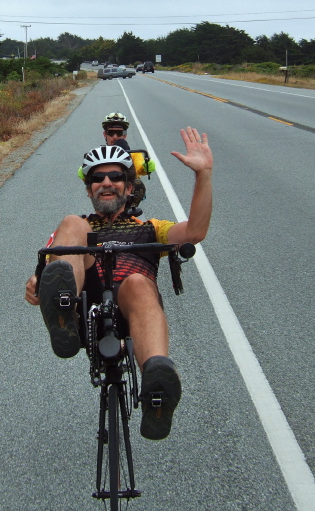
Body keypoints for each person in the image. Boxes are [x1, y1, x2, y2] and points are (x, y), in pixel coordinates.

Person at [25, 127, 213, 440]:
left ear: (128, 187)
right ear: (89, 190)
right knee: (72, 223)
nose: (106, 183)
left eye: (115, 177)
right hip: (87, 313)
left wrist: (203, 174)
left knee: (138, 281)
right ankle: (62, 316)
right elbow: (49, 266)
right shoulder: (79, 229)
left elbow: (194, 232)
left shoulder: (152, 228)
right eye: (97, 179)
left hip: (136, 313)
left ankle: (157, 384)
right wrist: (37, 280)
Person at [96, 112, 155, 212]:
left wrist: (146, 167)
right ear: (105, 135)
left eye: (119, 133)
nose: (115, 137)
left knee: (137, 182)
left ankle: (128, 210)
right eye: (111, 133)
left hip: (127, 189)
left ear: (125, 135)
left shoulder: (134, 154)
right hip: (107, 188)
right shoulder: (99, 154)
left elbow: (139, 167)